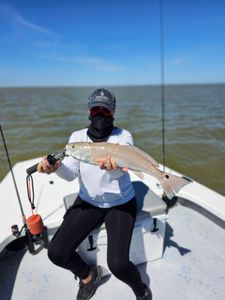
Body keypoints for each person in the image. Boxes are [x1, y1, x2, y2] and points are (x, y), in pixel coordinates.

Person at [37, 88, 152, 300]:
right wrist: (57, 168)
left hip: (120, 202)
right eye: (96, 109)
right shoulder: (76, 138)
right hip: (89, 201)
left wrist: (114, 167)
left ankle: (141, 290)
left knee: (118, 264)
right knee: (56, 252)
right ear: (89, 110)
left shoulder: (122, 136)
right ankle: (88, 276)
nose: (100, 115)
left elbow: (122, 170)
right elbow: (71, 174)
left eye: (105, 111)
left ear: (113, 112)